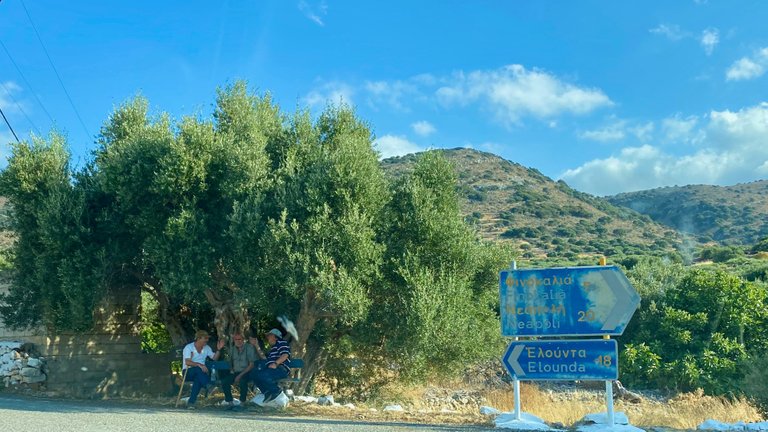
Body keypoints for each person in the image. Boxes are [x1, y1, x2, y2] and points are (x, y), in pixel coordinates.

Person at [182, 330, 224, 409]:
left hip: (200, 373)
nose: (207, 340)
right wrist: (200, 365)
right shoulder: (189, 347)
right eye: (205, 338)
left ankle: (191, 403)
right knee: (198, 369)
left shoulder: (207, 348)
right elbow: (187, 362)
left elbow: (214, 358)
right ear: (198, 338)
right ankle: (209, 385)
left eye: (207, 338)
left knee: (198, 379)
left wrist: (219, 349)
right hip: (188, 372)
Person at [219, 331, 258, 410]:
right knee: (225, 381)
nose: (238, 341)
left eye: (240, 339)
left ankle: (242, 403)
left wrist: (239, 376)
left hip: (248, 371)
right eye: (236, 339)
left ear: (243, 340)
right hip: (236, 372)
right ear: (234, 340)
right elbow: (230, 362)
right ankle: (230, 403)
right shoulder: (232, 349)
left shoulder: (249, 348)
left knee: (243, 381)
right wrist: (231, 370)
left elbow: (251, 365)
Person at [252, 328, 291, 405]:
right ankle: (267, 393)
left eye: (269, 335)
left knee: (263, 375)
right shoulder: (273, 348)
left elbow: (285, 354)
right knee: (254, 374)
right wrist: (256, 345)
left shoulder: (281, 343)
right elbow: (264, 358)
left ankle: (276, 391)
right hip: (272, 370)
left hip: (280, 369)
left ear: (275, 337)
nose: (267, 337)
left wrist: (276, 363)